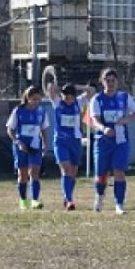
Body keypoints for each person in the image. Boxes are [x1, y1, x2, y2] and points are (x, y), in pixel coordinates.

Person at [90, 67, 135, 215]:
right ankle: (99, 196)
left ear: (117, 82)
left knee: (119, 171)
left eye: (113, 80)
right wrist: (103, 128)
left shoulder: (124, 97)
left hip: (121, 141)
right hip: (103, 141)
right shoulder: (97, 99)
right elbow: (95, 119)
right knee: (101, 174)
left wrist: (125, 120)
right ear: (102, 81)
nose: (111, 83)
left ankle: (119, 204)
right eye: (107, 80)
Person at [46, 81, 93, 210]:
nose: (69, 98)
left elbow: (92, 91)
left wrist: (77, 87)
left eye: (71, 95)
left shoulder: (78, 102)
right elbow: (50, 87)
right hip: (61, 142)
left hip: (75, 141)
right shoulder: (57, 103)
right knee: (66, 170)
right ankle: (69, 200)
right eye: (66, 95)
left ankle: (67, 195)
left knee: (73, 174)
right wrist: (63, 88)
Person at [6, 85, 50, 210]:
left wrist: (45, 144)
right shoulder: (18, 111)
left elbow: (44, 129)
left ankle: (35, 200)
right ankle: (23, 200)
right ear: (27, 98)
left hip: (35, 146)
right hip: (21, 146)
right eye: (33, 99)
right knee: (22, 174)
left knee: (34, 172)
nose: (36, 102)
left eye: (38, 99)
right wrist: (18, 142)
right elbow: (10, 130)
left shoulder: (41, 111)